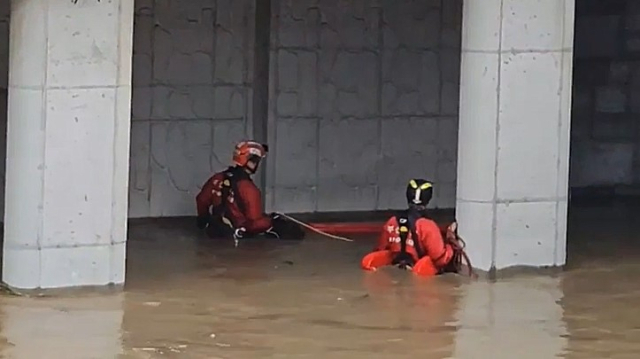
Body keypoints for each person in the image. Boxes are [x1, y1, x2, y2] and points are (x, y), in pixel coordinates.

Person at [195, 140, 304, 241]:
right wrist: (272, 221)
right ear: (250, 161)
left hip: (215, 234)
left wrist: (203, 221)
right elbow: (254, 224)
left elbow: (201, 200)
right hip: (238, 238)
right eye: (256, 161)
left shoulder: (217, 178)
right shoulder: (249, 189)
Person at [361, 179, 464, 276]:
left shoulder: (392, 221)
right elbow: (440, 259)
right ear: (428, 199)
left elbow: (380, 249)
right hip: (418, 272)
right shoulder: (428, 226)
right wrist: (451, 241)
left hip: (394, 272)